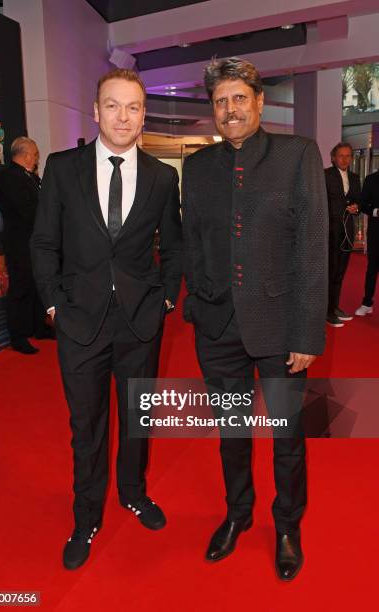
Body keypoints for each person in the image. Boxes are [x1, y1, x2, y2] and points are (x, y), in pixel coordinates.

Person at [31, 68, 183, 570]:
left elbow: (173, 245)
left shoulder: (162, 177)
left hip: (140, 322)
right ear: (96, 112)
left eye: (133, 107)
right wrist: (53, 303)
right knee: (87, 425)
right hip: (78, 321)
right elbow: (44, 243)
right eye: (112, 106)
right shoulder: (60, 167)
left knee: (138, 420)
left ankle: (134, 493)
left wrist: (164, 300)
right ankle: (86, 514)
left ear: (144, 115)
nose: (123, 116)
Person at [182, 57, 328, 581]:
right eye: (221, 102)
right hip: (218, 327)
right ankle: (237, 514)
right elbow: (193, 241)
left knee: (286, 435)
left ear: (259, 102)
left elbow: (312, 248)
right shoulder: (198, 167)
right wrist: (198, 306)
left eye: (239, 98)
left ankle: (287, 524)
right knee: (231, 433)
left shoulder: (297, 155)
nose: (230, 109)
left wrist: (308, 331)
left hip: (280, 327)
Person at [0, 136, 52, 354]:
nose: (37, 158)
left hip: (36, 243)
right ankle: (18, 337)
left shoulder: (31, 177)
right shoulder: (9, 178)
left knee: (38, 287)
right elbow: (26, 211)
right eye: (36, 154)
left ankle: (39, 327)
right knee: (20, 289)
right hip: (20, 244)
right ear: (26, 154)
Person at [325, 143, 361, 327]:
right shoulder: (325, 175)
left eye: (348, 156)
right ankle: (328, 312)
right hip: (330, 231)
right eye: (341, 155)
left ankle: (335, 306)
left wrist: (357, 208)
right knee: (330, 272)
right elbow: (321, 203)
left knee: (341, 272)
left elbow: (358, 201)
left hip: (347, 231)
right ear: (333, 157)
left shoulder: (355, 178)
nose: (345, 159)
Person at [355, 170, 379, 316]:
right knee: (372, 268)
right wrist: (376, 212)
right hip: (376, 232)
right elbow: (362, 204)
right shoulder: (371, 179)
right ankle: (366, 303)